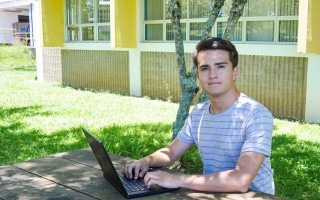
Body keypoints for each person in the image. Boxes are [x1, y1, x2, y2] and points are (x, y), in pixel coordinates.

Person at [123, 37, 275, 195]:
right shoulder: (199, 113)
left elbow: (241, 181)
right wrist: (146, 161)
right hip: (212, 194)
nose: (212, 75)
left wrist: (177, 179)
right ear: (198, 75)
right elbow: (172, 152)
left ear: (234, 72)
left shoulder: (256, 115)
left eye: (220, 66)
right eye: (205, 68)